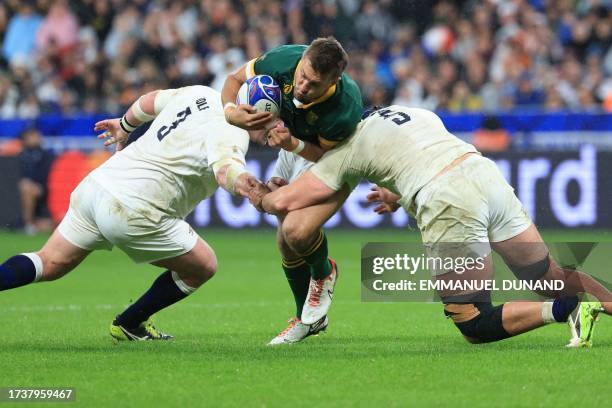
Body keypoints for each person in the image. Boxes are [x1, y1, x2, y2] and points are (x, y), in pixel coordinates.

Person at [256, 105, 611, 347]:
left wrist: (253, 191)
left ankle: (569, 309)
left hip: (449, 199)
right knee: (548, 276)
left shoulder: (348, 147)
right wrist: (397, 195)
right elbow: (419, 155)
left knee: (472, 320)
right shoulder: (411, 112)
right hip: (484, 174)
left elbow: (285, 204)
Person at [0, 85, 268, 341]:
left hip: (97, 187)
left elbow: (150, 101)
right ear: (251, 111)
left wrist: (124, 125)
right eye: (268, 117)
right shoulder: (235, 132)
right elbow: (226, 172)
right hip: (133, 208)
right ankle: (130, 323)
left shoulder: (201, 93)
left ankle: (130, 324)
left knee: (48, 263)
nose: (270, 127)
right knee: (203, 266)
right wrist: (253, 189)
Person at [221, 37, 363, 344]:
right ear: (302, 61)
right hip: (292, 143)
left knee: (294, 230)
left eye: (313, 85)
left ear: (333, 81)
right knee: (285, 242)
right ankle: (307, 319)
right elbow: (234, 80)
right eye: (302, 76)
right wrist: (231, 112)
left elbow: (324, 159)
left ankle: (324, 272)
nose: (301, 87)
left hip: (332, 156)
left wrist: (291, 143)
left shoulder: (344, 108)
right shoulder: (284, 59)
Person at [17, 127, 54, 234]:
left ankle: (31, 224)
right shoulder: (23, 155)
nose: (35, 138)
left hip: (46, 188)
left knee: (49, 225)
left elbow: (48, 175)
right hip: (30, 188)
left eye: (35, 136)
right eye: (31, 136)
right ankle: (29, 224)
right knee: (27, 188)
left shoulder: (46, 154)